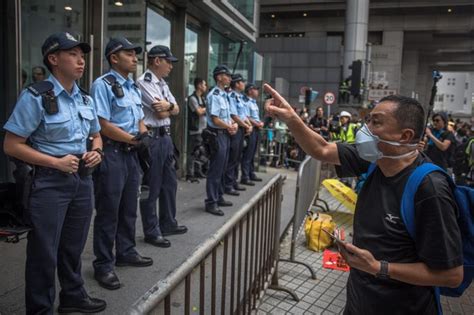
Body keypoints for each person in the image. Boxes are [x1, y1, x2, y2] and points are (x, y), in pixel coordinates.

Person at [265, 85, 463, 315]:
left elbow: (451, 275)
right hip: (359, 302)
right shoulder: (374, 158)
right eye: (367, 121)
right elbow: (322, 149)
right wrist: (291, 118)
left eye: (376, 123)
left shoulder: (430, 189)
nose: (365, 129)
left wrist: (379, 268)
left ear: (405, 135)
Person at [3, 32, 106, 314]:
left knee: (73, 246)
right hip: (49, 182)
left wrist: (97, 151)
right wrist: (54, 162)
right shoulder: (35, 96)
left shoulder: (84, 99)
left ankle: (73, 297)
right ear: (53, 59)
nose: (81, 60)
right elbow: (12, 145)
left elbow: (96, 136)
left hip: (82, 179)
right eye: (73, 54)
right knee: (43, 253)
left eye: (82, 56)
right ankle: (40, 309)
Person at [92, 37, 153, 291]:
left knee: (129, 208)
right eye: (129, 53)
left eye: (135, 54)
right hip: (113, 153)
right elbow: (102, 124)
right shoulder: (102, 85)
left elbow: (140, 118)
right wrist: (133, 139)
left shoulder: (132, 87)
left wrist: (142, 136)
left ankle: (126, 251)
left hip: (131, 155)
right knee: (109, 212)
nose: (135, 57)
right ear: (113, 58)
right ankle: (104, 264)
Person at [136, 45, 188, 248]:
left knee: (169, 184)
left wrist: (169, 107)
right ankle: (151, 230)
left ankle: (168, 223)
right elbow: (160, 112)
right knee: (153, 185)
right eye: (168, 61)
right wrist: (169, 107)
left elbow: (176, 109)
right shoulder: (144, 82)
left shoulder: (162, 84)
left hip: (165, 138)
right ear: (157, 61)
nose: (171, 66)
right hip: (153, 139)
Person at [204, 65, 238, 216]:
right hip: (217, 134)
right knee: (215, 170)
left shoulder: (224, 95)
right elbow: (215, 119)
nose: (230, 78)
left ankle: (218, 196)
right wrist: (229, 127)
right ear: (219, 77)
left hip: (225, 134)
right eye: (227, 75)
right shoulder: (215, 95)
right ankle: (211, 202)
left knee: (222, 167)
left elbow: (227, 116)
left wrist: (233, 124)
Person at [224, 73, 252, 196]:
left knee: (237, 157)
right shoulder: (231, 96)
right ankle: (228, 184)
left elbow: (244, 115)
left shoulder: (239, 97)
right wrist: (246, 125)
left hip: (241, 129)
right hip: (235, 128)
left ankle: (234, 181)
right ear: (236, 84)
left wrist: (248, 124)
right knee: (232, 157)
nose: (244, 84)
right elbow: (234, 115)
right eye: (242, 82)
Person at [241, 83, 264, 185]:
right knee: (248, 154)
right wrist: (257, 123)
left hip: (256, 129)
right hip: (251, 129)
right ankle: (245, 176)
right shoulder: (246, 102)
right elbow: (246, 116)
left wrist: (260, 123)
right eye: (255, 89)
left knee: (253, 152)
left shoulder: (254, 102)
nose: (257, 91)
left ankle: (251, 173)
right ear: (250, 90)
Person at [187, 77, 208, 181]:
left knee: (200, 152)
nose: (205, 87)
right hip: (195, 130)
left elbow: (202, 110)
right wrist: (207, 108)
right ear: (199, 85)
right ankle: (190, 174)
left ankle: (198, 171)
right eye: (204, 84)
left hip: (202, 129)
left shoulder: (202, 98)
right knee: (193, 152)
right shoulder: (192, 98)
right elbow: (199, 112)